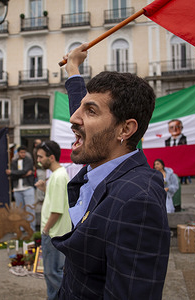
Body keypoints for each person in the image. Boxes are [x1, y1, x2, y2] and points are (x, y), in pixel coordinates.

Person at [51, 43, 170, 299]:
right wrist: (73, 69)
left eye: (90, 111)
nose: (73, 118)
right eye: (80, 108)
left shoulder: (138, 201)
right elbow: (93, 122)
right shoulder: (102, 160)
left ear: (125, 130)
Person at [34, 141, 71, 300]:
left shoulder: (58, 176)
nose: (38, 160)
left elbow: (56, 210)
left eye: (41, 157)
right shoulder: (58, 175)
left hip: (54, 233)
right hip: (56, 232)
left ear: (52, 157)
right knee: (53, 273)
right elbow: (56, 202)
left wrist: (45, 230)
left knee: (51, 272)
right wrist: (44, 190)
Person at [6, 146, 36, 231]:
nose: (23, 154)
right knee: (20, 211)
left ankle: (31, 229)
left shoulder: (28, 160)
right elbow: (13, 176)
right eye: (21, 152)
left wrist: (13, 172)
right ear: (18, 153)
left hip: (27, 188)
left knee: (30, 209)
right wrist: (22, 174)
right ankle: (22, 229)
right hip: (17, 189)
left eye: (24, 152)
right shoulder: (14, 162)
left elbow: (24, 171)